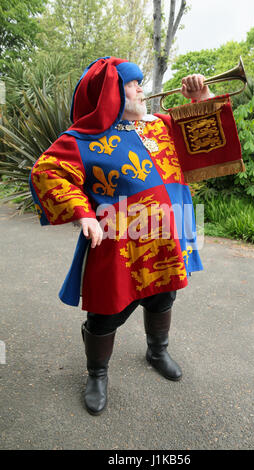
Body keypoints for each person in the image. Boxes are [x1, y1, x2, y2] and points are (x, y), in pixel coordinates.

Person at [29, 56, 210, 416]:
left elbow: (207, 141)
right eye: (132, 82)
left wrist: (202, 100)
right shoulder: (84, 139)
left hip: (167, 235)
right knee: (105, 313)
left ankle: (157, 350)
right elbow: (45, 171)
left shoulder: (161, 125)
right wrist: (83, 213)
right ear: (110, 93)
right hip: (118, 245)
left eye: (141, 81)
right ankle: (97, 373)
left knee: (164, 297)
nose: (141, 88)